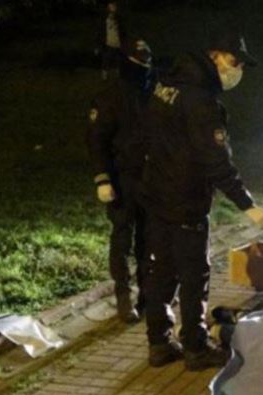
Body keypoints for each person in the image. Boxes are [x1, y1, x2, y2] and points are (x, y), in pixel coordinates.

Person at [139, 29, 263, 370]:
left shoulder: (167, 84)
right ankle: (196, 348)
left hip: (156, 194)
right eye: (234, 61)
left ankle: (159, 343)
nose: (237, 70)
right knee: (194, 275)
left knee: (161, 271)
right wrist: (246, 204)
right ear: (214, 56)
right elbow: (215, 161)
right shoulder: (202, 102)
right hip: (186, 200)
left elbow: (148, 136)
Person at [87, 39, 155, 324]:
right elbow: (97, 140)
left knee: (148, 240)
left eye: (146, 61)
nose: (144, 67)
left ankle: (147, 296)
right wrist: (102, 178)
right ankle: (124, 298)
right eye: (139, 61)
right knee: (123, 239)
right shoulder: (111, 95)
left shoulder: (154, 91)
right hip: (122, 178)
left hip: (150, 178)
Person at [96, 1, 126, 80]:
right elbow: (100, 31)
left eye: (114, 6)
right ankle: (105, 74)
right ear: (108, 8)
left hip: (117, 43)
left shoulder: (119, 18)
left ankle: (118, 74)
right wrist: (99, 44)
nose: (112, 8)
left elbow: (122, 31)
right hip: (108, 43)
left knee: (118, 60)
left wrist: (123, 41)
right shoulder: (104, 18)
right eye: (111, 7)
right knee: (106, 59)